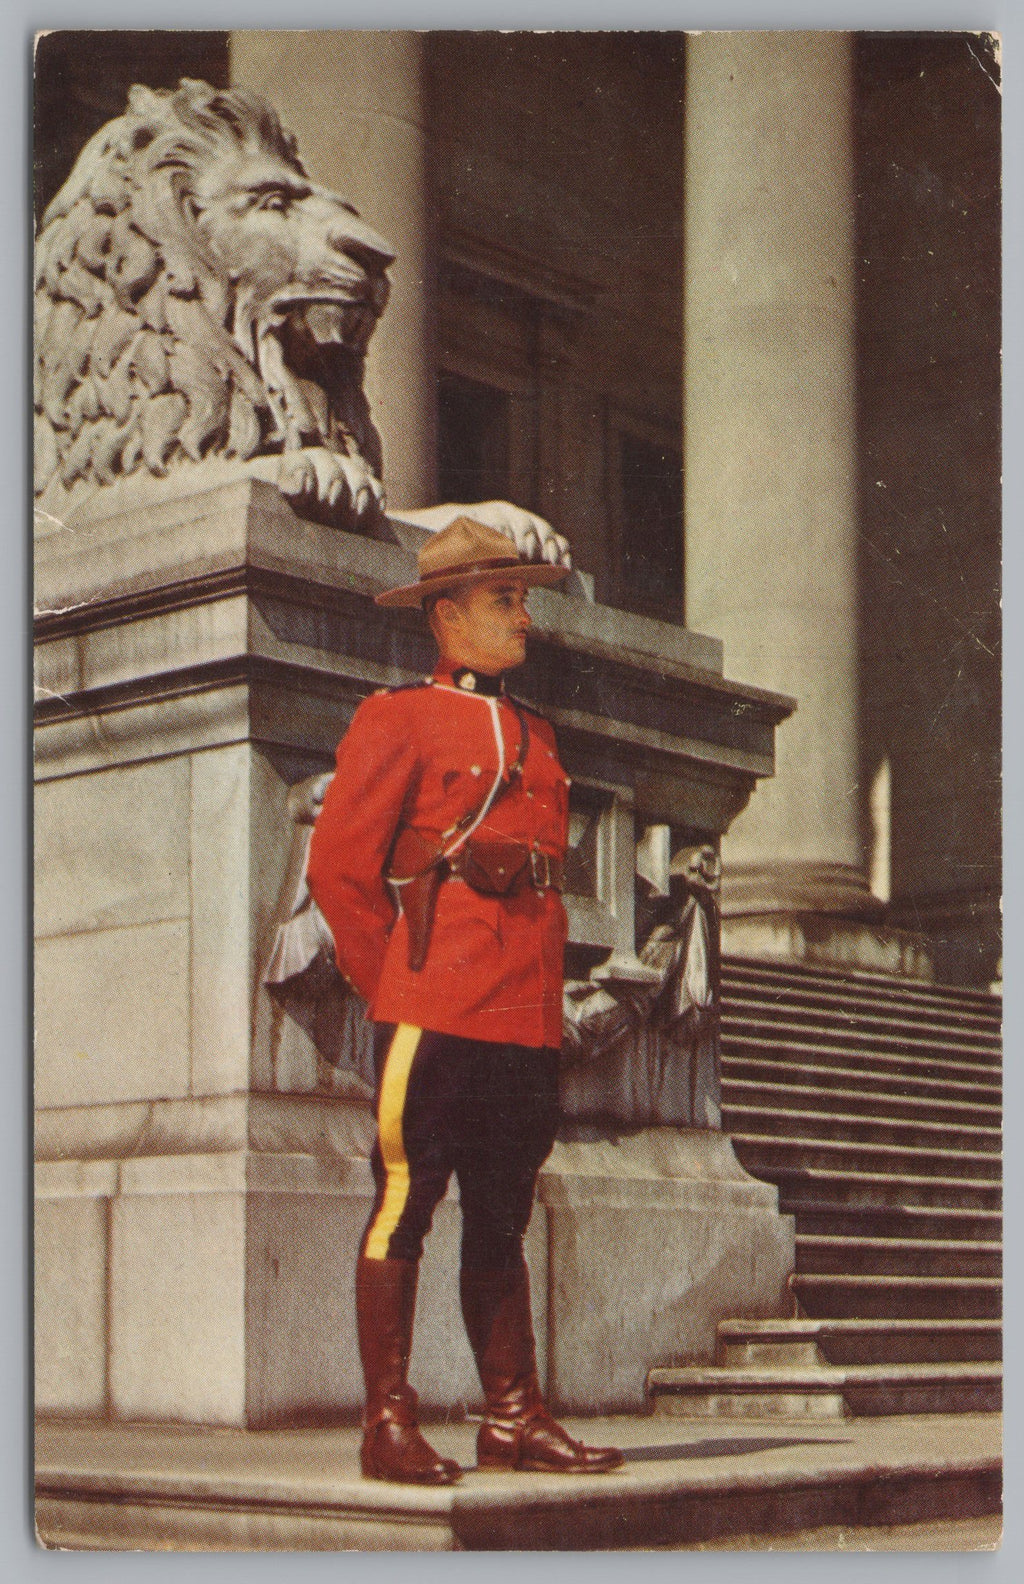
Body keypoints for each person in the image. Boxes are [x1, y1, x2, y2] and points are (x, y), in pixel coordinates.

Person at [306, 516, 624, 1486]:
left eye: (523, 599)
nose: (524, 617)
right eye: (503, 600)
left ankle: (512, 1417)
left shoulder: (538, 733)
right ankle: (385, 1422)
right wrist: (401, 980)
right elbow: (338, 871)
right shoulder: (395, 720)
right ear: (446, 617)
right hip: (433, 1014)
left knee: (501, 1217)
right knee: (404, 1204)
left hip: (520, 1022)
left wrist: (536, 1009)